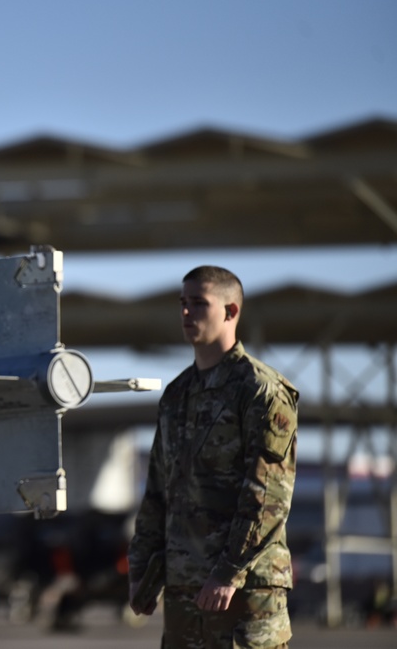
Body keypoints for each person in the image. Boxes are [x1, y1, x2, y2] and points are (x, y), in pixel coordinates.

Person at [127, 266, 299, 649]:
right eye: (183, 304)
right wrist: (141, 569)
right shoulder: (177, 394)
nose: (187, 314)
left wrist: (228, 572)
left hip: (245, 590)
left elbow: (268, 496)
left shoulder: (260, 390)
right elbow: (157, 489)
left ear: (231, 311)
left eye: (199, 304)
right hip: (185, 586)